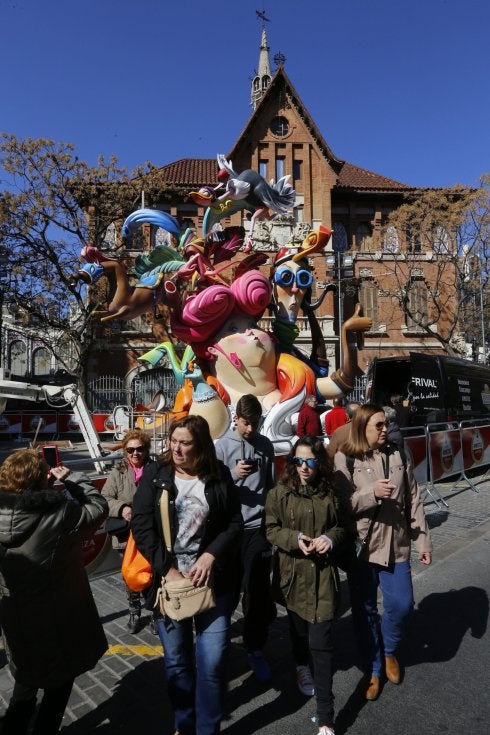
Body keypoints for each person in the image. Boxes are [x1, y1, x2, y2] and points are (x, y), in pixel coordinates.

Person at [131, 415, 243, 735]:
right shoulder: (156, 474)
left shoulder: (218, 475)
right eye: (173, 440)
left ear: (201, 445)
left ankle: (207, 729)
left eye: (185, 443)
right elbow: (141, 524)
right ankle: (184, 723)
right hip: (169, 583)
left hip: (213, 580)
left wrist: (211, 555)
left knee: (213, 662)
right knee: (178, 663)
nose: (176, 448)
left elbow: (235, 522)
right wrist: (167, 568)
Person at [0, 449, 108, 735]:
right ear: (43, 479)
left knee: (23, 689)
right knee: (57, 688)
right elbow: (98, 508)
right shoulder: (60, 513)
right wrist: (72, 479)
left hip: (16, 620)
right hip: (57, 619)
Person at [334, 404, 432, 701]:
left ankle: (389, 650)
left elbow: (413, 497)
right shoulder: (345, 459)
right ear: (362, 427)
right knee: (364, 613)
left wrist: (423, 541)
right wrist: (370, 493)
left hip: (396, 543)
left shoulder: (398, 453)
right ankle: (374, 668)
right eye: (378, 425)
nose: (385, 429)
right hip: (363, 547)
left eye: (385, 424)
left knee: (402, 604)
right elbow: (341, 505)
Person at [265, 437, 346, 735]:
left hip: (323, 578)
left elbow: (343, 527)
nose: (304, 467)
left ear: (319, 462)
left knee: (321, 646)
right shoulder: (280, 493)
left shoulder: (331, 491)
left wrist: (330, 539)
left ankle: (326, 717)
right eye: (298, 461)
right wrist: (295, 539)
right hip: (292, 577)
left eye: (310, 461)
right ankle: (300, 664)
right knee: (298, 631)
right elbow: (271, 529)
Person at [215, 394, 276, 682]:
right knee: (225, 594)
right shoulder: (221, 447)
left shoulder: (265, 445)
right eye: (246, 423)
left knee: (257, 593)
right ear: (236, 418)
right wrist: (233, 474)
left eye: (255, 423)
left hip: (258, 529)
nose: (251, 429)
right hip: (230, 531)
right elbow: (211, 489)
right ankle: (219, 646)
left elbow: (271, 485)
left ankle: (254, 648)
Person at [101, 429, 154, 633]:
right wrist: (122, 508)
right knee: (131, 575)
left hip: (150, 533)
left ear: (146, 449)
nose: (135, 453)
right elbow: (105, 498)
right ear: (125, 451)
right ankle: (134, 612)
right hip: (126, 536)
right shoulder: (118, 472)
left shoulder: (155, 469)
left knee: (153, 574)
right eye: (130, 449)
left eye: (140, 449)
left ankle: (155, 613)